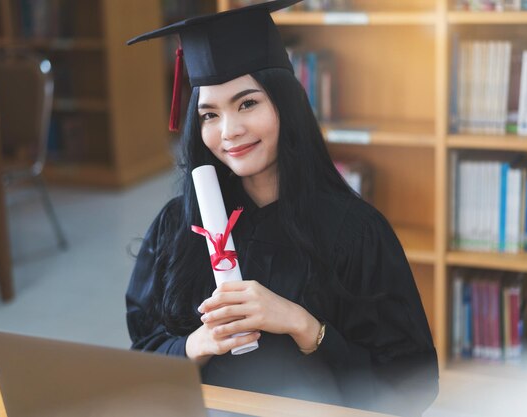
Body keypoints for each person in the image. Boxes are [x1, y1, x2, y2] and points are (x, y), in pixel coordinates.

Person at [125, 1, 438, 415]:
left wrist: (304, 326)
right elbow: (140, 357)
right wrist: (193, 345)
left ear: (284, 103)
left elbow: (411, 386)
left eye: (247, 104)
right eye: (209, 114)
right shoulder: (179, 225)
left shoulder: (355, 233)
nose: (229, 131)